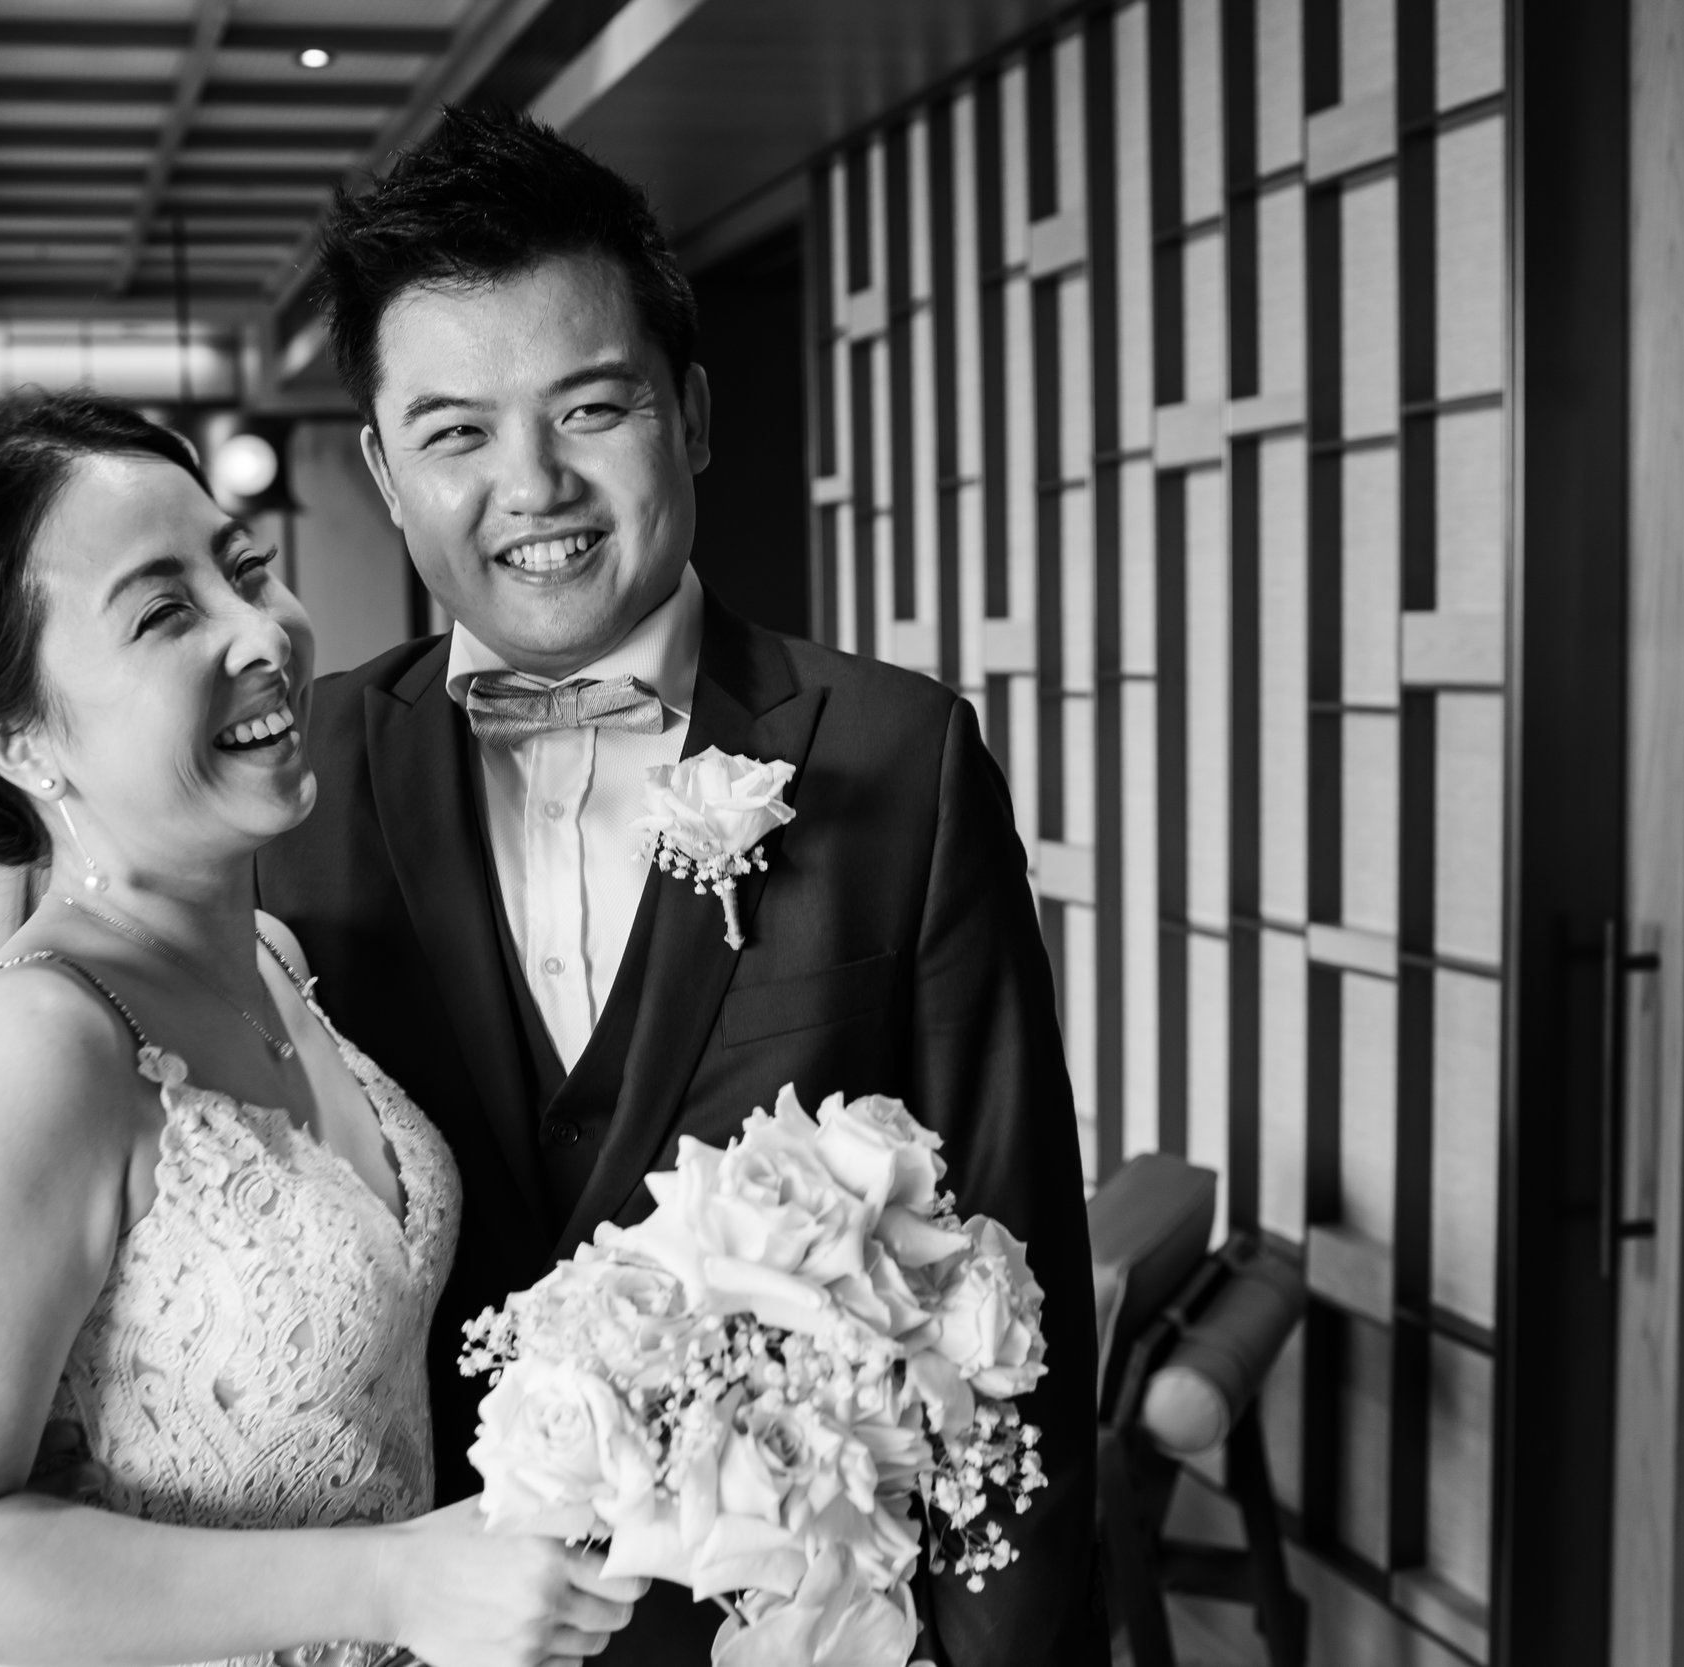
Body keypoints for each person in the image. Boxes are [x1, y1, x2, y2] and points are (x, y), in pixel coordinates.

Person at [258, 108, 1104, 1664]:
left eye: (591, 407)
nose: (534, 484)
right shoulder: (288, 789)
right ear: (383, 470)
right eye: (455, 432)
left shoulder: (901, 762)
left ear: (693, 413)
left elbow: (1019, 1284)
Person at [0, 392, 642, 1667]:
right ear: (17, 738)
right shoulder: (32, 1052)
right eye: (165, 611)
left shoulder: (278, 959)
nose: (263, 632)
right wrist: (393, 1584)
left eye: (243, 568)